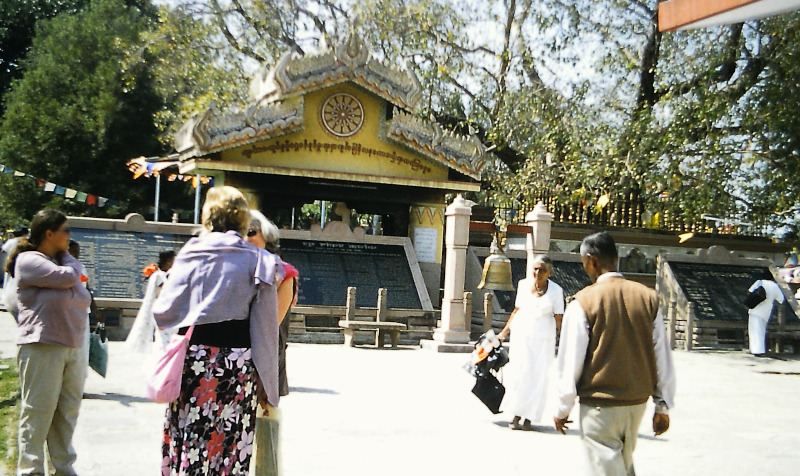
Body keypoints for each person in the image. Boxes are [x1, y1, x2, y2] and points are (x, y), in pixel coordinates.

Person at [153, 186, 284, 475]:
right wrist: (268, 386)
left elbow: (164, 313)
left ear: (209, 218)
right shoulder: (259, 260)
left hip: (197, 361)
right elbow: (265, 329)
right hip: (239, 366)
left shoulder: (191, 253)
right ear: (243, 221)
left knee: (193, 438)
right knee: (231, 444)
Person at [554, 231, 676, 476]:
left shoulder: (583, 302)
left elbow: (571, 361)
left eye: (584, 263)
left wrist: (562, 408)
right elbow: (662, 354)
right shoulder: (648, 298)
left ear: (592, 260)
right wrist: (662, 405)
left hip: (600, 406)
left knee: (607, 470)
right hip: (636, 404)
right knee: (622, 464)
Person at [7, 209, 91, 476]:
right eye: (65, 231)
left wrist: (68, 264)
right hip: (42, 344)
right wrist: (69, 260)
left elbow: (80, 292)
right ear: (49, 233)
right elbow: (69, 278)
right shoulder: (29, 260)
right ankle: (30, 470)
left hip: (73, 344)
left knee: (66, 413)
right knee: (38, 412)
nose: (69, 236)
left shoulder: (63, 263)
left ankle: (63, 469)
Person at [497, 255, 564, 431]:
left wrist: (565, 341)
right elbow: (516, 311)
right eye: (535, 268)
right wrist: (503, 334)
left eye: (542, 270)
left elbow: (559, 319)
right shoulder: (523, 285)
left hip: (543, 341)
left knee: (537, 377)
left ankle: (529, 417)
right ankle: (516, 414)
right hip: (522, 337)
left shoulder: (556, 291)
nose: (537, 272)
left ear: (549, 272)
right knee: (519, 375)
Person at [246, 210, 299, 396]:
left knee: (263, 420)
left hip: (264, 358)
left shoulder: (284, 274)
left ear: (266, 236)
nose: (245, 237)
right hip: (229, 359)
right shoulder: (233, 268)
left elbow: (270, 324)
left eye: (251, 232)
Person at [124, 250, 176, 353]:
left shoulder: (162, 274)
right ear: (169, 261)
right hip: (162, 311)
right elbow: (165, 291)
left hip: (165, 311)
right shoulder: (159, 276)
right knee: (164, 340)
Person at [747, 275, 785, 357]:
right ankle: (757, 349)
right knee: (761, 330)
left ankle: (756, 350)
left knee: (753, 330)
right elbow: (781, 299)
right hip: (766, 311)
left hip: (755, 308)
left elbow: (749, 291)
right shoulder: (775, 286)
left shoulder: (759, 282)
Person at [2, 226, 29, 320]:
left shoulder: (11, 241)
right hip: (22, 267)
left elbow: (3, 251)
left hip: (10, 264)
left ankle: (6, 298)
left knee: (8, 283)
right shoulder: (26, 242)